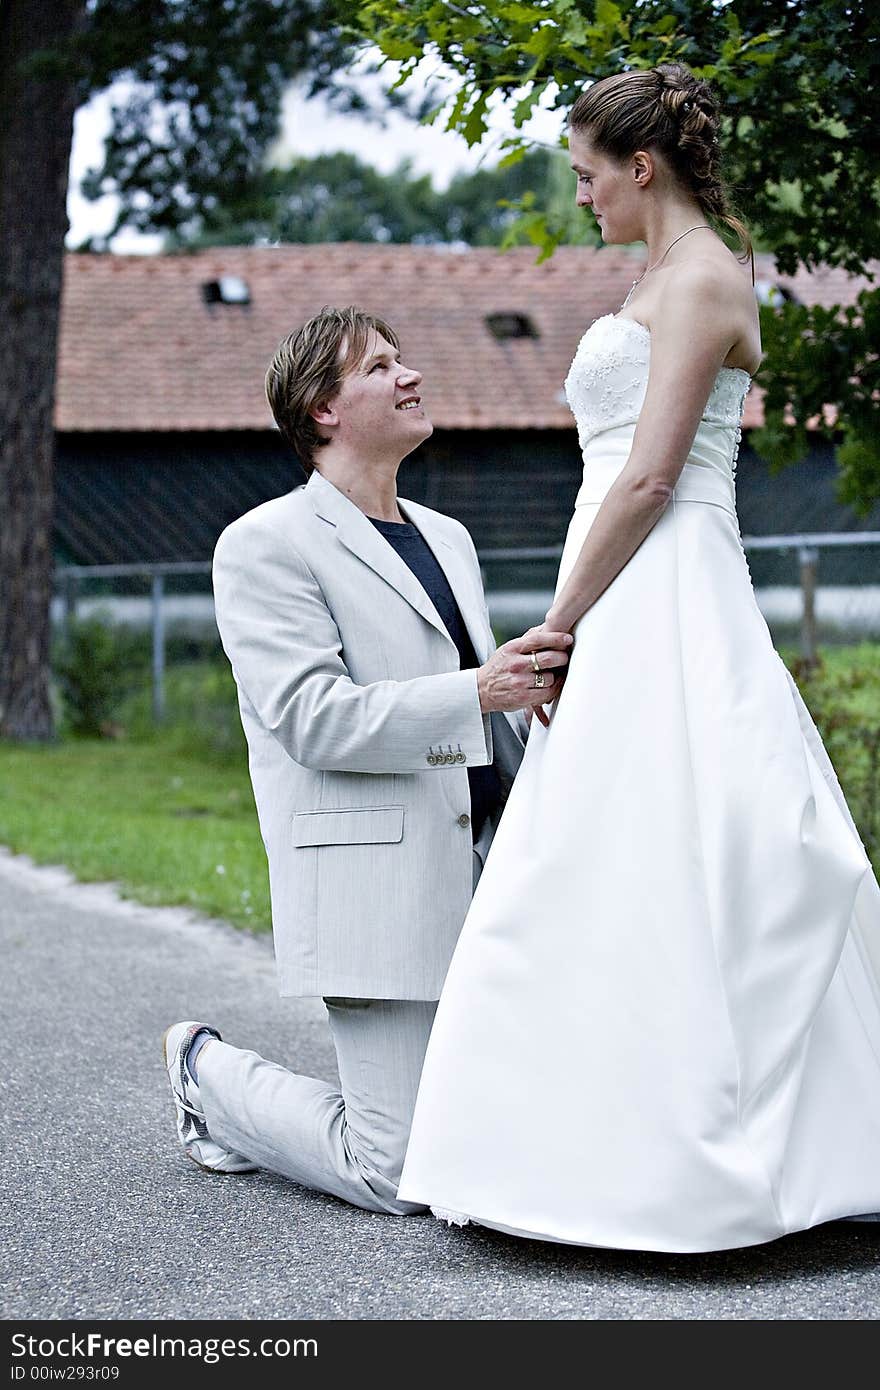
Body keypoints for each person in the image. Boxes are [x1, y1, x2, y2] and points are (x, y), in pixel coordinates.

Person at [396, 62, 880, 1251]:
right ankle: (563, 1147)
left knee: (698, 832)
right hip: (622, 573)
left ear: (641, 166)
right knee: (596, 840)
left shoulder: (709, 273)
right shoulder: (658, 272)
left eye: (586, 175)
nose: (580, 198)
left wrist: (558, 622)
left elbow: (653, 476)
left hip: (661, 579)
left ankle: (712, 1157)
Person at [161, 305, 572, 1214]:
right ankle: (205, 1072)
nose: (410, 375)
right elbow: (313, 720)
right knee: (394, 1173)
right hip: (374, 883)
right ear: (322, 410)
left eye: (403, 358)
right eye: (382, 366)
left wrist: (535, 713)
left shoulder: (448, 537)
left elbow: (471, 698)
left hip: (490, 869)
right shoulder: (264, 544)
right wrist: (479, 691)